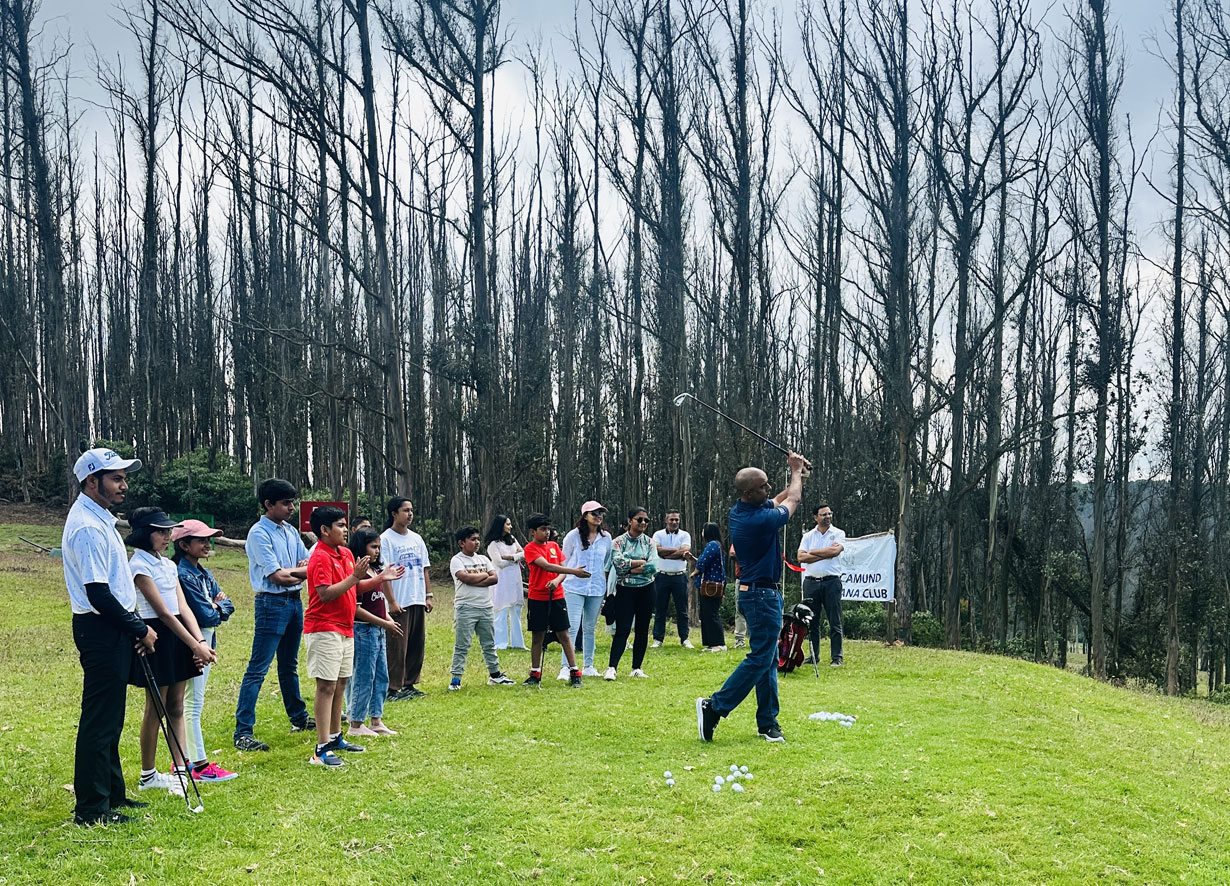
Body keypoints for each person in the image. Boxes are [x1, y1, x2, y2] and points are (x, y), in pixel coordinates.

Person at [63, 447, 155, 826]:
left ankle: (113, 793)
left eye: (124, 478)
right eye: (115, 478)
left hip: (113, 626)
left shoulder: (101, 518)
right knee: (100, 720)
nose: (123, 485)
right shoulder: (87, 526)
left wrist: (131, 623)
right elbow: (98, 593)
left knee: (112, 717)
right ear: (91, 481)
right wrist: (138, 627)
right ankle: (91, 809)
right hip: (100, 629)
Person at [697, 451, 810, 744]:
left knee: (769, 658)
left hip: (760, 594)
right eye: (763, 486)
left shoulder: (744, 509)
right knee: (761, 658)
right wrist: (795, 472)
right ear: (749, 492)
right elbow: (793, 500)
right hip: (761, 596)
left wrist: (799, 476)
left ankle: (767, 722)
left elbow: (780, 497)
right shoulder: (757, 520)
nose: (769, 489)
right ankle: (715, 706)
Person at [127, 508, 216, 796]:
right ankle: (148, 774)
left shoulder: (167, 564)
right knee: (156, 706)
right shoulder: (138, 565)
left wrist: (199, 641)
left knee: (177, 704)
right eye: (160, 531)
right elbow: (163, 612)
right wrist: (194, 645)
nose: (167, 536)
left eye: (168, 531)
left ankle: (180, 771)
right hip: (157, 636)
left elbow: (183, 607)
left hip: (180, 635)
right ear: (144, 533)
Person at [304, 506, 402, 766]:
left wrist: (379, 578)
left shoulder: (345, 553)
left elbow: (355, 586)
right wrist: (355, 577)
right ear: (324, 530)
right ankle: (321, 749)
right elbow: (325, 594)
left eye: (345, 524)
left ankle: (336, 737)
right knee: (326, 686)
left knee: (340, 684)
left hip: (345, 627)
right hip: (324, 627)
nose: (346, 529)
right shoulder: (320, 557)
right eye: (339, 525)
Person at [233, 478, 313, 751]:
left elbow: (309, 563)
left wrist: (296, 572)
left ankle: (299, 717)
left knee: (289, 664)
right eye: (286, 503)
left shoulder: (290, 531)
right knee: (258, 668)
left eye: (292, 502)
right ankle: (243, 731)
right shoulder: (259, 534)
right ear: (268, 504)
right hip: (271, 603)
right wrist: (300, 572)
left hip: (294, 602)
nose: (292, 507)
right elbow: (277, 576)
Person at [172, 519, 238, 783]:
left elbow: (226, 604)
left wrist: (217, 605)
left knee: (191, 701)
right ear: (184, 545)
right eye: (201, 540)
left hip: (205, 640)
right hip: (194, 641)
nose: (207, 544)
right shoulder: (183, 574)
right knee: (192, 703)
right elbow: (205, 614)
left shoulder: (202, 572)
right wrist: (216, 606)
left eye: (208, 539)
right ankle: (198, 764)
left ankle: (185, 759)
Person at [344, 527, 405, 738]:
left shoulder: (375, 572)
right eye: (372, 546)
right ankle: (356, 723)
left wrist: (389, 621)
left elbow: (379, 604)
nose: (377, 551)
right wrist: (384, 623)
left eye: (378, 547)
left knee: (381, 676)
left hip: (377, 630)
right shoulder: (358, 574)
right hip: (363, 630)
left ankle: (376, 719)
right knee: (364, 677)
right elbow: (356, 610)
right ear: (361, 547)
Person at [523, 513, 590, 687]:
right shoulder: (530, 549)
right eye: (542, 529)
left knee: (564, 634)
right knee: (538, 636)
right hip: (538, 598)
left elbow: (560, 569)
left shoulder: (553, 546)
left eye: (548, 529)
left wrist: (557, 581)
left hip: (557, 596)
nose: (547, 532)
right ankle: (535, 673)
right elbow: (546, 566)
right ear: (532, 531)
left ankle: (574, 672)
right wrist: (575, 572)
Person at [448, 526, 516, 690]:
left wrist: (476, 578)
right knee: (462, 645)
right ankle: (455, 680)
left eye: (478, 539)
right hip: (466, 607)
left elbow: (494, 579)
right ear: (462, 543)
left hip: (485, 607)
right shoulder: (457, 560)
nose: (477, 542)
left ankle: (495, 675)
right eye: (473, 539)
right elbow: (465, 578)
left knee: (489, 644)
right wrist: (484, 575)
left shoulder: (484, 559)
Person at [381, 498, 433, 700]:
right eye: (405, 510)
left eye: (411, 510)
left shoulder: (416, 539)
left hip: (416, 597)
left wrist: (428, 595)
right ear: (394, 513)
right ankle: (392, 687)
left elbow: (424, 568)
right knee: (397, 645)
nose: (410, 514)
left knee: (416, 643)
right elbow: (384, 573)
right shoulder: (386, 539)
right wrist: (391, 601)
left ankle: (409, 683)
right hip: (399, 599)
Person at [558, 501, 612, 679]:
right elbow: (564, 561)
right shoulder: (573, 536)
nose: (598, 516)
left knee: (589, 627)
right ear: (585, 516)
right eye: (594, 513)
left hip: (596, 588)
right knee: (572, 627)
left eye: (600, 513)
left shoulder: (606, 537)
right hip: (574, 586)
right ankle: (566, 667)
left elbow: (607, 562)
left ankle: (589, 665)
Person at [605, 506, 660, 680]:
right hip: (625, 590)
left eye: (646, 520)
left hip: (647, 589)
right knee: (623, 629)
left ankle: (636, 667)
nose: (643, 523)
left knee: (642, 630)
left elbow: (653, 567)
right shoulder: (618, 542)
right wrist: (640, 562)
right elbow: (618, 565)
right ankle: (612, 667)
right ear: (630, 521)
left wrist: (629, 567)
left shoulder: (650, 543)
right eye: (639, 519)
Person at [799, 503, 846, 667]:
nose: (827, 517)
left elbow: (834, 552)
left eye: (829, 514)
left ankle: (837, 657)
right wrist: (825, 553)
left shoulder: (838, 533)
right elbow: (801, 557)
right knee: (812, 621)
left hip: (831, 582)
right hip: (811, 583)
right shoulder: (808, 536)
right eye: (824, 514)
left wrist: (812, 552)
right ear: (815, 517)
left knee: (835, 620)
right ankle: (814, 656)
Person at [651, 509, 694, 649]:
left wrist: (665, 553)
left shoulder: (685, 535)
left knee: (682, 609)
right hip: (661, 576)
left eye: (677, 520)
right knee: (660, 608)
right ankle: (658, 639)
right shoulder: (658, 534)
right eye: (672, 519)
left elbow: (685, 551)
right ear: (666, 520)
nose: (674, 522)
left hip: (679, 576)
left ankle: (684, 638)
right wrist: (677, 551)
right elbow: (656, 550)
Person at [484, 515, 526, 650]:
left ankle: (518, 643)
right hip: (501, 579)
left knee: (516, 610)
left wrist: (511, 557)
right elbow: (499, 563)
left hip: (515, 578)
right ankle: (500, 643)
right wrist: (515, 559)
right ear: (500, 525)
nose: (510, 526)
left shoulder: (512, 539)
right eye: (508, 524)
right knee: (500, 610)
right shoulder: (492, 544)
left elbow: (524, 554)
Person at [693, 522, 727, 651]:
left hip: (710, 585)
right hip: (715, 584)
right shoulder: (718, 545)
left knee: (710, 614)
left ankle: (718, 643)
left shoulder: (712, 545)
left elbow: (702, 562)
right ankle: (711, 643)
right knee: (708, 613)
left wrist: (695, 572)